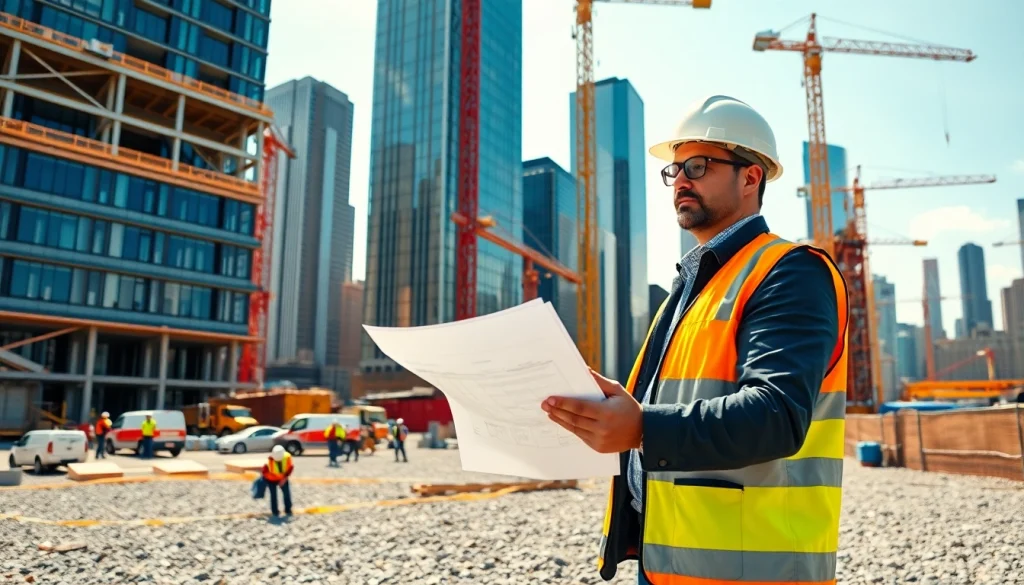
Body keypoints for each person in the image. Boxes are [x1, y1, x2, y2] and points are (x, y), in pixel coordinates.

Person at [541, 95, 849, 585]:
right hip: (669, 565)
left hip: (754, 572)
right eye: (676, 170)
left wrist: (641, 428)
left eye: (699, 166)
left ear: (751, 178)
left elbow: (777, 414)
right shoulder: (687, 289)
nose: (680, 179)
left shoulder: (790, 272)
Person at [262, 445, 293, 518]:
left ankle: (288, 509)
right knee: (273, 495)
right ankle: (275, 511)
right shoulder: (268, 461)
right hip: (271, 479)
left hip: (283, 478)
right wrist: (271, 478)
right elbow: (265, 473)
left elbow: (290, 468)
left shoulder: (287, 457)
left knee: (286, 494)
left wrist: (284, 479)